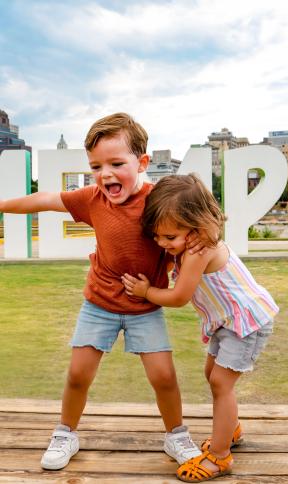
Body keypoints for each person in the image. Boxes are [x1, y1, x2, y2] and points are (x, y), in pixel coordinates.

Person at [0, 113, 202, 470]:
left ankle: (177, 435)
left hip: (145, 305)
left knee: (164, 377)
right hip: (100, 304)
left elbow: (194, 230)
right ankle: (65, 434)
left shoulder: (159, 202)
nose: (105, 173)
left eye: (116, 163)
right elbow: (45, 199)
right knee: (78, 375)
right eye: (96, 166)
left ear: (142, 162)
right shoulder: (93, 198)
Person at [122, 174, 279, 482]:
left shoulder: (198, 250)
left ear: (196, 226)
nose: (162, 244)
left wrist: (145, 293)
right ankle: (229, 428)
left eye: (169, 237)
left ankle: (220, 457)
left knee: (221, 383)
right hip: (227, 322)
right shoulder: (191, 243)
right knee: (213, 376)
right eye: (157, 237)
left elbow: (179, 296)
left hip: (245, 323)